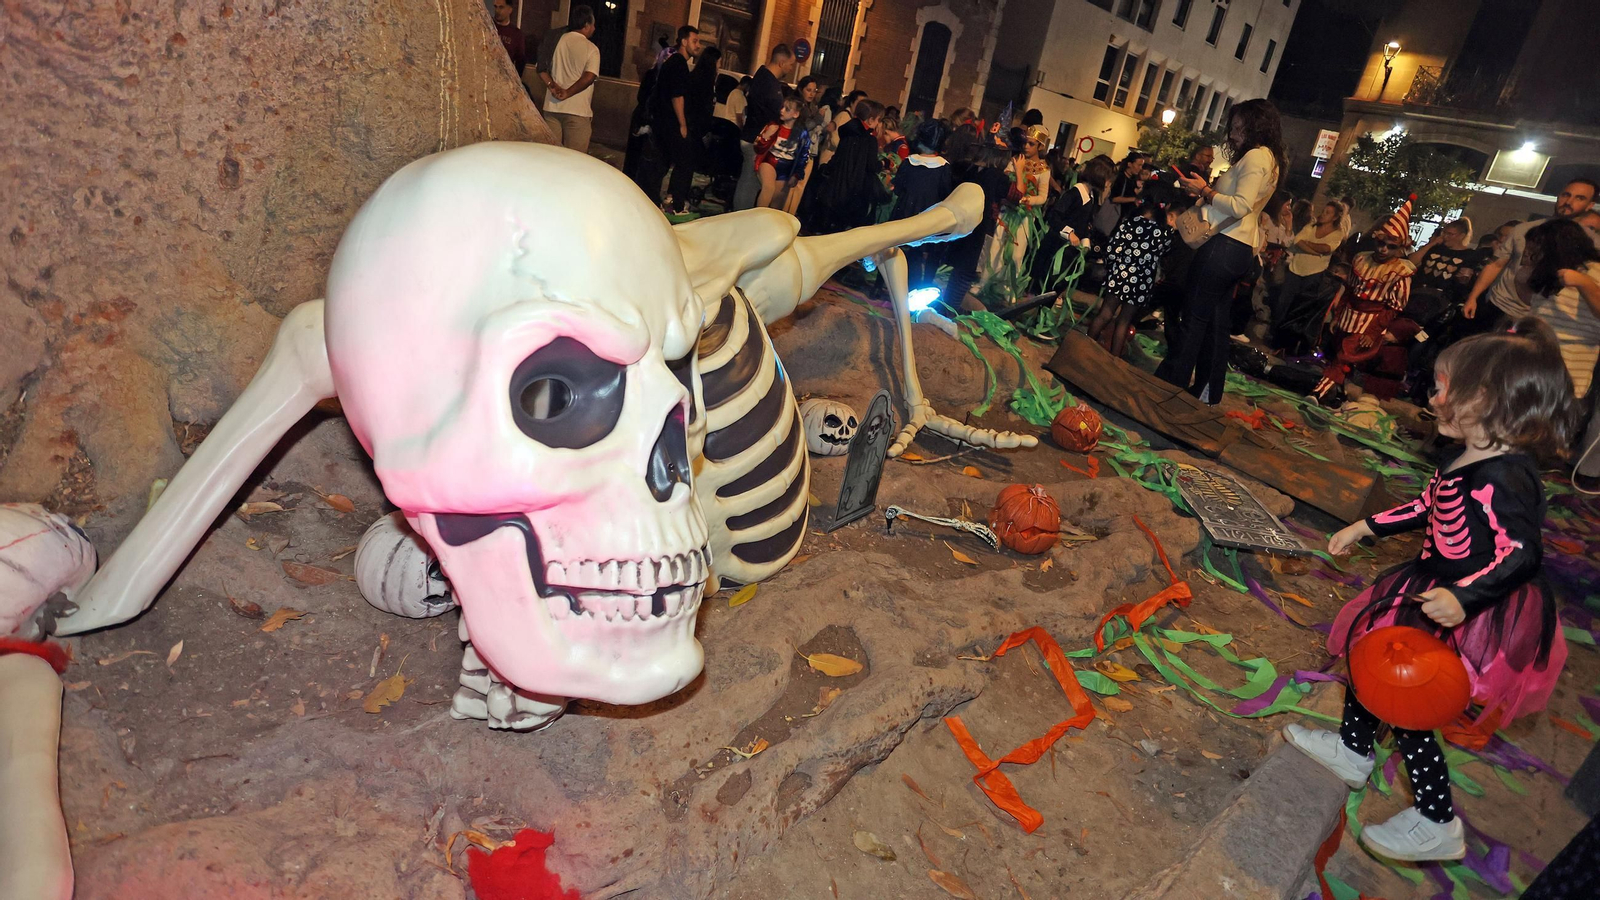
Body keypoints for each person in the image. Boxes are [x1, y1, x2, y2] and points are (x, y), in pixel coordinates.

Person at [1287, 318, 1577, 863]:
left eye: (1444, 387)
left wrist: (1465, 597)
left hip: (1472, 607)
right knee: (1373, 656)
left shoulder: (1505, 477)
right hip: (1429, 587)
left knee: (1414, 706)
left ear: (1483, 401)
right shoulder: (1462, 457)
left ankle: (1436, 820)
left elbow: (1521, 553)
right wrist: (1365, 527)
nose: (1433, 395)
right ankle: (1354, 750)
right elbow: (1427, 506)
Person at [1154, 99, 1284, 404]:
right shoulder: (1269, 159)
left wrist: (1205, 191)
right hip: (1237, 250)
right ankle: (1206, 393)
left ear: (1255, 126)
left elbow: (1239, 206)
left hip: (1225, 246)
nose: (1233, 133)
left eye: (1239, 127)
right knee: (1214, 325)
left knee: (1193, 322)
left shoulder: (1255, 156)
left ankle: (1167, 389)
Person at [1310, 197, 1418, 405]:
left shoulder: (1402, 271)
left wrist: (1373, 331)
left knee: (1344, 358)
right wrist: (1338, 315)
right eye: (1381, 243)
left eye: (1391, 246)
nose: (1384, 249)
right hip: (1348, 316)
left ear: (1400, 247)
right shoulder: (1361, 258)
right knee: (1338, 357)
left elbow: (1394, 307)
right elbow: (1349, 289)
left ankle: (1317, 394)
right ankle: (1339, 396)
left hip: (1370, 322)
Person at [1463, 178, 1599, 328]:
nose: (1569, 201)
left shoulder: (1591, 244)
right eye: (1566, 195)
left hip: (1541, 319)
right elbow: (1496, 264)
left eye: (1580, 198)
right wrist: (1473, 297)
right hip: (1499, 306)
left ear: (1590, 205)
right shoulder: (1524, 229)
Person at [1087, 194, 1176, 358]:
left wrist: (1112, 266)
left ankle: (1083, 347)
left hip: (1120, 274)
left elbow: (1112, 250)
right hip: (1142, 281)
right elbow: (1165, 253)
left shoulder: (1128, 224)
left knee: (1105, 313)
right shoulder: (1165, 233)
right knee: (1123, 321)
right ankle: (1113, 361)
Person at [1524, 218, 1600, 398]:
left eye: (1540, 247)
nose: (1535, 253)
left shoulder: (1593, 270)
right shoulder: (1550, 270)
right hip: (1534, 358)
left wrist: (1584, 284)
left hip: (1570, 366)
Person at [1269, 199, 1347, 354]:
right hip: (1295, 270)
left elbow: (1326, 248)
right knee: (1283, 304)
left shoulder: (1338, 233)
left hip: (1313, 273)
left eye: (1328, 213)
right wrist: (1314, 251)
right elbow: (1298, 241)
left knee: (1299, 310)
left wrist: (1308, 245)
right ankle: (1275, 339)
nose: (1323, 214)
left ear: (1335, 217)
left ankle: (1288, 345)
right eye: (1324, 210)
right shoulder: (1311, 226)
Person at [944, 137, 1014, 306]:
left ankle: (946, 304)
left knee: (959, 269)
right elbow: (1015, 196)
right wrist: (1017, 170)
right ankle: (951, 307)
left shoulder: (971, 170)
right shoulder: (999, 177)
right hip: (982, 229)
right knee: (968, 271)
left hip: (963, 224)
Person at [806, 99, 888, 234]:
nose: (879, 124)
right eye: (879, 120)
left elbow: (838, 157)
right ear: (871, 120)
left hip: (838, 186)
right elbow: (871, 166)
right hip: (855, 190)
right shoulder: (869, 140)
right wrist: (884, 163)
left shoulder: (847, 133)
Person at [890, 119, 954, 287]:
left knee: (892, 248)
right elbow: (945, 194)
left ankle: (882, 286)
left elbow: (898, 188)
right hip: (926, 217)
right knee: (916, 255)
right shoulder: (943, 168)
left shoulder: (909, 162)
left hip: (902, 212)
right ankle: (912, 289)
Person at [734, 44, 796, 210]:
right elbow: (777, 113)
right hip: (757, 140)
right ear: (782, 62)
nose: (791, 68)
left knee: (751, 182)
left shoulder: (762, 76)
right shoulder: (769, 84)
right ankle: (741, 217)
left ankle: (742, 216)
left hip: (752, 136)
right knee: (750, 183)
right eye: (790, 64)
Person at [650, 26, 702, 214]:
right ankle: (676, 205)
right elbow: (677, 96)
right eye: (695, 41)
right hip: (671, 123)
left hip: (663, 122)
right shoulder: (679, 63)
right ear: (684, 41)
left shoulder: (673, 62)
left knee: (662, 162)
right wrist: (682, 124)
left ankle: (655, 200)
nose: (698, 45)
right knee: (685, 162)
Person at [539, 6, 601, 153]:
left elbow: (541, 69)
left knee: (550, 156)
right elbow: (589, 76)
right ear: (586, 25)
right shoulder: (591, 49)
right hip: (577, 111)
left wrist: (551, 85)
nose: (594, 28)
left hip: (552, 108)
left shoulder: (555, 41)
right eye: (592, 24)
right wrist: (567, 92)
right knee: (575, 159)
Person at [753, 95, 811, 209]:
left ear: (796, 114)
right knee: (768, 188)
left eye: (787, 109)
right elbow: (758, 148)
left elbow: (803, 156)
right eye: (782, 107)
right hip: (769, 162)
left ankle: (770, 224)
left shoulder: (802, 134)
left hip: (786, 169)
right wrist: (765, 137)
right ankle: (757, 218)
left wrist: (796, 174)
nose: (782, 111)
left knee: (777, 202)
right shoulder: (774, 126)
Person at [492, 0, 526, 74]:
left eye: (501, 7)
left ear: (509, 10)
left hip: (503, 78)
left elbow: (520, 61)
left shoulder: (516, 34)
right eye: (495, 7)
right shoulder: (488, 26)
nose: (497, 11)